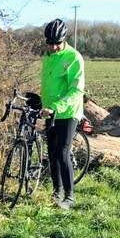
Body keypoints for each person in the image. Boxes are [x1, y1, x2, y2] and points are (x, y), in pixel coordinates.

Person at [39, 18, 85, 210]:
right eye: (50, 43)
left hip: (68, 112)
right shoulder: (48, 57)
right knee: (51, 153)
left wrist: (56, 106)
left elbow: (76, 90)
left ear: (64, 40)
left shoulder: (73, 57)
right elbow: (49, 85)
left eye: (57, 43)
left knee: (62, 152)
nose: (54, 47)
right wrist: (40, 102)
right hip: (50, 112)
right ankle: (57, 192)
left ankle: (69, 196)